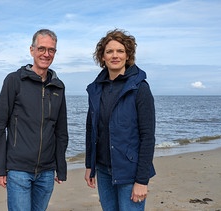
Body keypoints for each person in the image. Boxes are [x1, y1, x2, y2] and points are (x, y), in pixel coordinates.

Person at [0, 29, 69, 211]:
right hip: (18, 169)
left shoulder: (58, 86)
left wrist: (61, 167)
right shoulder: (14, 81)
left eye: (51, 50)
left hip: (47, 171)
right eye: (42, 48)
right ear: (32, 50)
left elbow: (61, 131)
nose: (46, 54)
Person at [84, 29, 156, 211]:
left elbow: (147, 136)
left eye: (120, 51)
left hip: (130, 172)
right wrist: (89, 165)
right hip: (103, 170)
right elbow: (91, 129)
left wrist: (142, 180)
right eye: (109, 51)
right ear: (102, 57)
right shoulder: (95, 89)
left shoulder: (140, 88)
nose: (114, 56)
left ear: (128, 55)